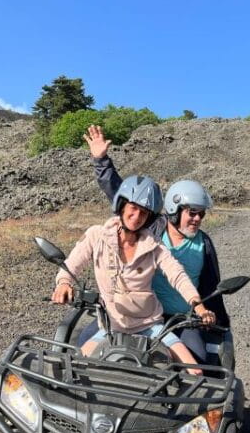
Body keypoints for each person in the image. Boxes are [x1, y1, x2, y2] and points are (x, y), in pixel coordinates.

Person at [80, 124, 230, 364]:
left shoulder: (204, 244)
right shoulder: (151, 229)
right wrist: (101, 160)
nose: (197, 219)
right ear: (173, 210)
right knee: (79, 347)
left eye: (201, 214)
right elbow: (126, 197)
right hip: (137, 313)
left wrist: (213, 318)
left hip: (181, 319)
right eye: (192, 213)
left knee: (200, 361)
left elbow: (206, 284)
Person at [51, 175, 216, 375]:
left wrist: (198, 305)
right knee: (71, 369)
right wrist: (63, 283)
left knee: (195, 372)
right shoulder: (97, 236)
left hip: (151, 326)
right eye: (133, 208)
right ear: (121, 205)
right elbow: (72, 264)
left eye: (144, 213)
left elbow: (177, 274)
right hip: (111, 326)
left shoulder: (154, 245)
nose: (137, 217)